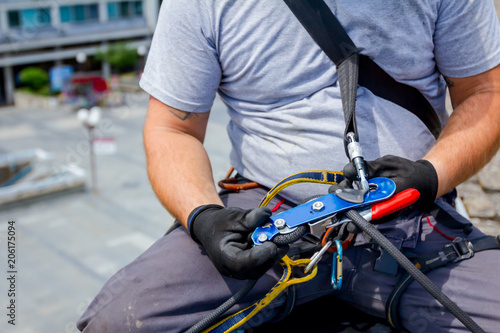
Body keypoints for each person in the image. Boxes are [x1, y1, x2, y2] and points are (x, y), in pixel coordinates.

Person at [77, 0, 500, 332]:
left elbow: (485, 93)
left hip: (407, 212)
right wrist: (206, 218)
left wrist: (431, 175)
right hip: (269, 218)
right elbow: (172, 131)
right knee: (116, 321)